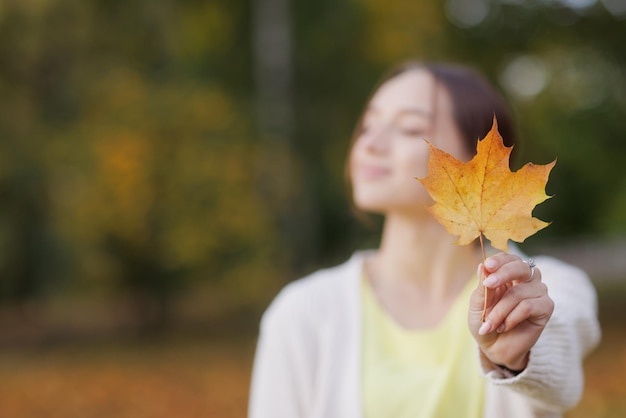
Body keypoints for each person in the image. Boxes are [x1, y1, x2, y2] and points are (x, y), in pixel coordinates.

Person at [248, 61, 601, 418]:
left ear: (476, 159)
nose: (370, 142)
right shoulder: (303, 313)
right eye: (367, 125)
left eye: (408, 127)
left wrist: (518, 357)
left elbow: (561, 353)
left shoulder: (543, 287)